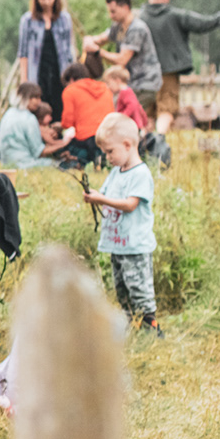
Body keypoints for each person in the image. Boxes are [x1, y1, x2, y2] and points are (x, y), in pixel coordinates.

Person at [83, 112, 160, 336]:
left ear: (127, 145)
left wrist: (101, 199)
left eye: (110, 151)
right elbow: (106, 195)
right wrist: (94, 196)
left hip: (135, 246)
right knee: (122, 289)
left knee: (139, 288)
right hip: (118, 245)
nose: (107, 157)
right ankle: (131, 327)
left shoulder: (140, 174)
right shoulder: (116, 172)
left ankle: (151, 329)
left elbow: (130, 205)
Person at [138, 0, 220, 129]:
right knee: (167, 108)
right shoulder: (175, 15)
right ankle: (160, 138)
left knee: (147, 111)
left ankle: (146, 139)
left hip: (144, 73)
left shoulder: (139, 18)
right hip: (168, 71)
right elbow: (202, 23)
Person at [83, 0, 162, 116]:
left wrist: (98, 51)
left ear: (125, 7)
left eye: (113, 11)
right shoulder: (118, 26)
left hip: (144, 83)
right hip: (131, 83)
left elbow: (122, 60)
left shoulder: (136, 29)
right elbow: (102, 39)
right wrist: (90, 40)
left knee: (127, 117)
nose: (111, 15)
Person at [14, 0, 74, 118]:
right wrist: (24, 79)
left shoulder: (64, 19)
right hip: (38, 71)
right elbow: (23, 52)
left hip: (59, 71)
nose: (47, 2)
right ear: (37, 0)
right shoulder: (28, 20)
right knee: (38, 107)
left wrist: (70, 76)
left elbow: (68, 50)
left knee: (60, 105)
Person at [58, 62, 113, 168]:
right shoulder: (104, 88)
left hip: (87, 138)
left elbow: (67, 122)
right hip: (107, 135)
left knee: (66, 148)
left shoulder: (70, 90)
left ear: (71, 79)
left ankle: (80, 161)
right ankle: (98, 159)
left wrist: (60, 126)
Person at [0, 81, 62, 168]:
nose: (39, 101)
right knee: (54, 163)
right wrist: (64, 143)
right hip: (24, 163)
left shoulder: (8, 113)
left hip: (6, 162)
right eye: (36, 97)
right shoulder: (29, 118)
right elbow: (39, 152)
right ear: (27, 98)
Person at [102, 65, 150, 134]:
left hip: (131, 126)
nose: (108, 87)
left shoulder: (125, 91)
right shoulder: (125, 91)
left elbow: (133, 105)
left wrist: (122, 117)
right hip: (132, 126)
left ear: (117, 81)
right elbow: (139, 107)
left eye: (109, 83)